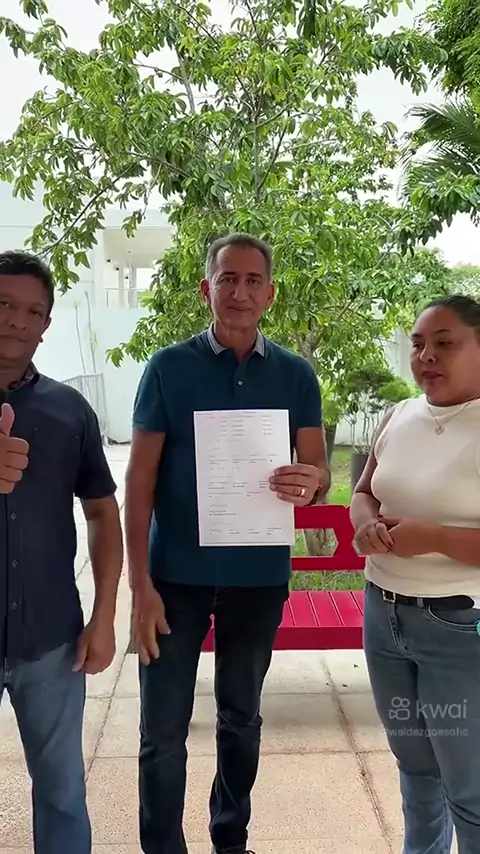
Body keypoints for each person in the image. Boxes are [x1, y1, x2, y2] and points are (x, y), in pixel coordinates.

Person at [126, 233, 330, 854]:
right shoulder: (167, 368)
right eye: (227, 278)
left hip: (257, 581)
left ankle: (230, 837)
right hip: (174, 581)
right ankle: (163, 846)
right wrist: (139, 587)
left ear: (270, 294)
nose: (240, 291)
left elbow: (318, 472)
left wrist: (311, 481)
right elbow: (139, 480)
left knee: (241, 720)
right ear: (206, 289)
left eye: (252, 280)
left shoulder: (296, 375)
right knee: (162, 732)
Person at [0, 251, 123, 854]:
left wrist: (104, 617)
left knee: (62, 792)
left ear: (46, 324)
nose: (16, 321)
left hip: (50, 638)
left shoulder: (70, 411)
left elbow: (102, 512)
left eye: (32, 312)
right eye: (4, 305)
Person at [350, 294, 480, 854]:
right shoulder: (399, 415)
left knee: (469, 789)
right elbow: (363, 493)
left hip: (459, 629)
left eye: (444, 344)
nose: (426, 356)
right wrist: (365, 524)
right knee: (416, 771)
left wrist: (433, 538)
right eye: (419, 344)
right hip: (383, 618)